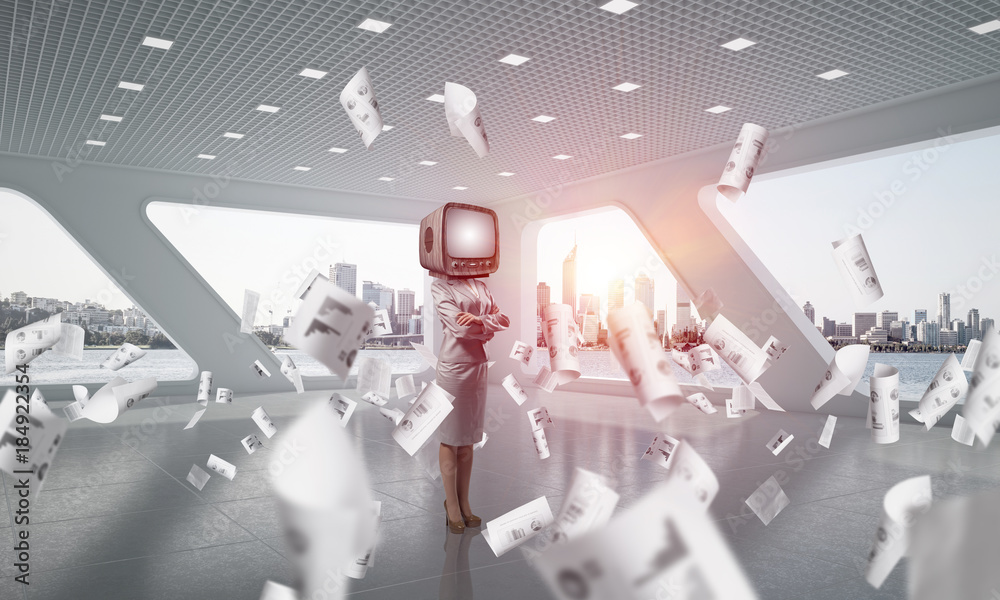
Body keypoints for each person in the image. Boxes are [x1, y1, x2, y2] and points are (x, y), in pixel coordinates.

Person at [431, 277, 509, 533]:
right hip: (453, 367)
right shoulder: (440, 285)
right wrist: (487, 325)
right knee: (450, 436)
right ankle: (451, 504)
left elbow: (504, 320)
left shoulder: (482, 285)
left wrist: (480, 321)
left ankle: (464, 502)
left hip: (477, 365)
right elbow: (459, 329)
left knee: (468, 438)